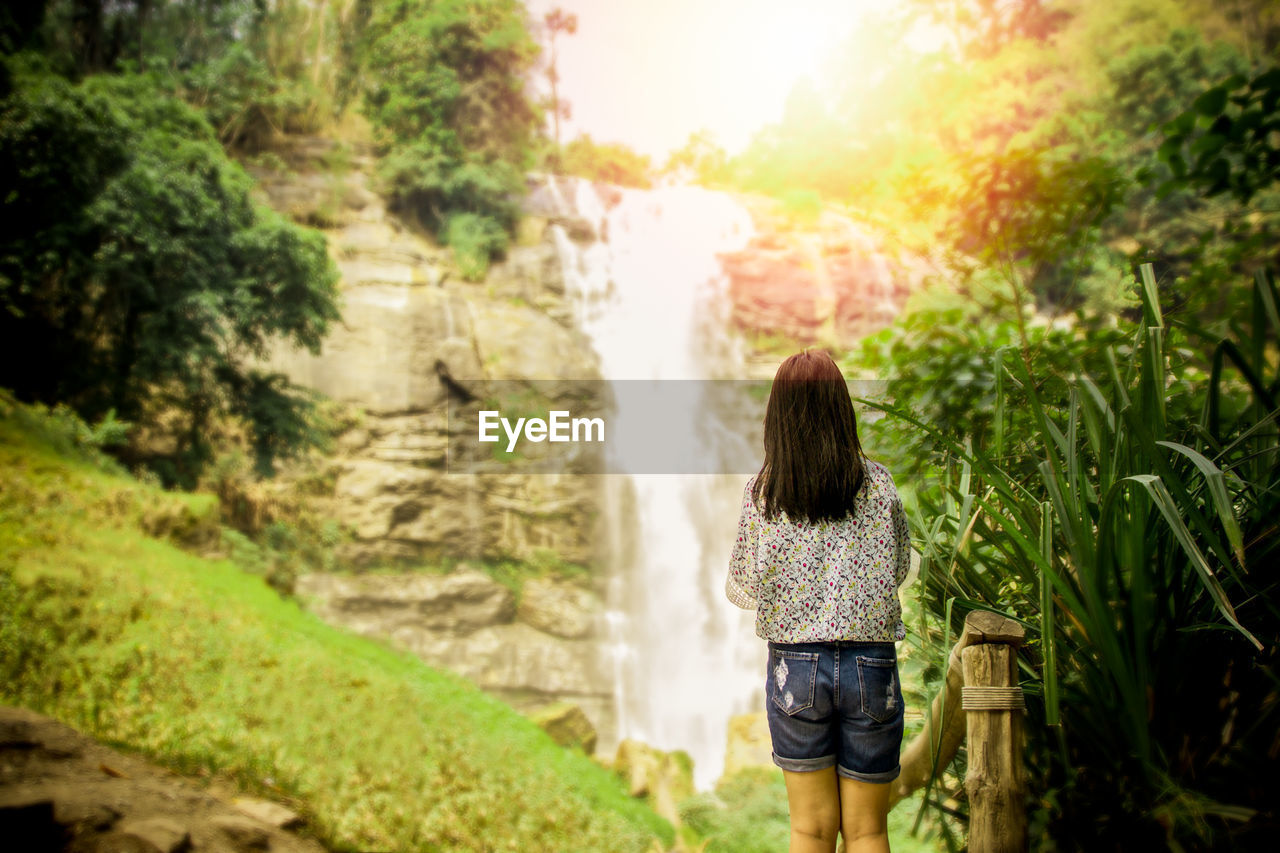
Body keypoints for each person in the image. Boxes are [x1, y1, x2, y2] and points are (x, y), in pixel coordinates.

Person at [726, 349, 911, 853]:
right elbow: (897, 568)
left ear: (778, 417)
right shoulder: (878, 483)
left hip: (796, 666)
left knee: (809, 829)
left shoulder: (765, 492)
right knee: (868, 831)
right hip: (870, 662)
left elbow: (744, 582)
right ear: (841, 410)